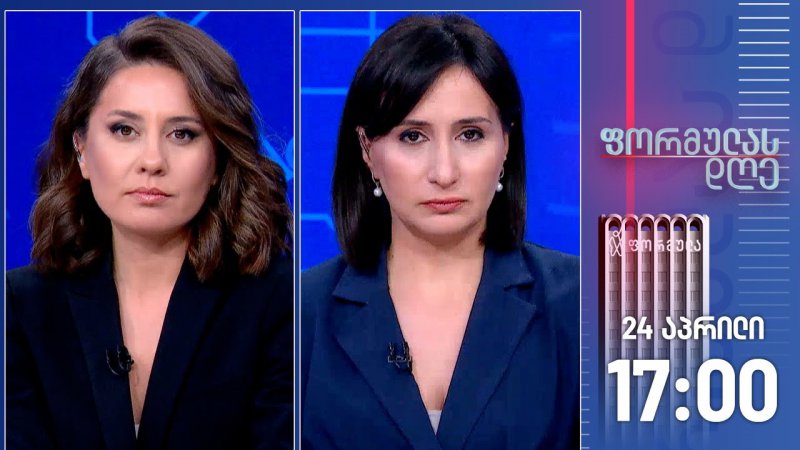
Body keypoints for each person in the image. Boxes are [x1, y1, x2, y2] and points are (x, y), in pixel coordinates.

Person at [6, 16, 293, 450]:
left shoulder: (283, 302)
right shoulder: (20, 307)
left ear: (218, 159)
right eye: (125, 130)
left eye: (182, 134)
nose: (152, 161)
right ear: (81, 149)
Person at [301, 14, 579, 449]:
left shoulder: (584, 304)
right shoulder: (301, 312)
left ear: (506, 144)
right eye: (413, 137)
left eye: (470, 135)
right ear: (367, 150)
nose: (444, 172)